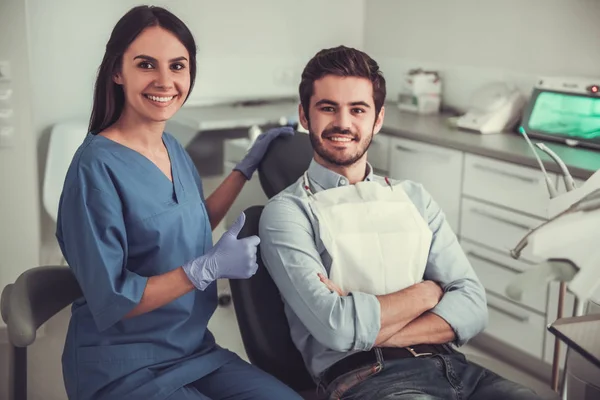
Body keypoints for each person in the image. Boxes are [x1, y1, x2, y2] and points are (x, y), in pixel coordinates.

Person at [259, 45, 549, 399]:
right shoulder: (287, 212)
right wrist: (427, 292)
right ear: (305, 116)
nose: (343, 123)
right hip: (367, 377)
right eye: (328, 108)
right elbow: (335, 330)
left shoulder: (413, 197)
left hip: (457, 368)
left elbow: (473, 307)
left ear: (377, 119)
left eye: (358, 109)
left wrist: (366, 321)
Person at [55, 5, 302, 400]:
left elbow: (189, 220)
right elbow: (113, 297)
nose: (165, 80)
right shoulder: (94, 169)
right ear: (118, 72)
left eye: (177, 66)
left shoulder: (170, 146)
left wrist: (245, 167)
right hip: (122, 366)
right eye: (146, 64)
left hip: (192, 351)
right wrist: (203, 269)